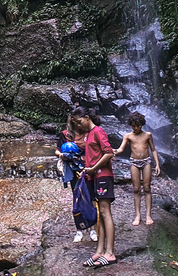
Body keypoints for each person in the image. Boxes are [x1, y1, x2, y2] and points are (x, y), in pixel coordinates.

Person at [71, 107, 117, 268]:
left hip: (103, 175)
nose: (78, 126)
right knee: (100, 214)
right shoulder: (89, 134)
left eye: (79, 122)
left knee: (105, 212)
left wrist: (93, 167)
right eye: (75, 124)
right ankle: (99, 252)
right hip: (94, 176)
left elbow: (109, 152)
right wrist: (87, 169)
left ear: (86, 117)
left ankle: (110, 253)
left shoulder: (98, 131)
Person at [55, 115, 98, 243]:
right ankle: (79, 230)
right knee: (77, 198)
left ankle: (93, 229)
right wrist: (62, 155)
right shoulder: (66, 134)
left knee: (91, 198)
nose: (78, 125)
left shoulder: (89, 133)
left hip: (89, 169)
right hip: (73, 171)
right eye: (75, 123)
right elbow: (57, 151)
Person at [114, 111, 161, 226]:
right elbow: (121, 149)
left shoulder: (147, 135)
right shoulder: (128, 136)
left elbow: (153, 149)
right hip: (134, 162)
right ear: (130, 125)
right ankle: (137, 215)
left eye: (138, 126)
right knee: (136, 189)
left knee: (147, 188)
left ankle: (148, 215)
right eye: (133, 126)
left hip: (146, 162)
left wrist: (158, 165)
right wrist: (112, 151)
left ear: (142, 125)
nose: (136, 128)